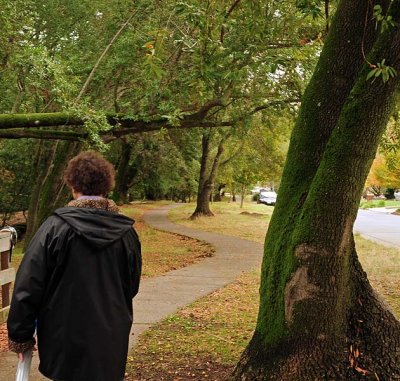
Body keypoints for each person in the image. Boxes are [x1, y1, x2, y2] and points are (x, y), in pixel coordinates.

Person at [7, 151, 142, 381]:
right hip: (110, 339)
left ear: (73, 185)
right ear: (106, 186)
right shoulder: (127, 235)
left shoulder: (53, 228)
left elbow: (28, 286)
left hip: (63, 339)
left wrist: (21, 336)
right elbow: (131, 285)